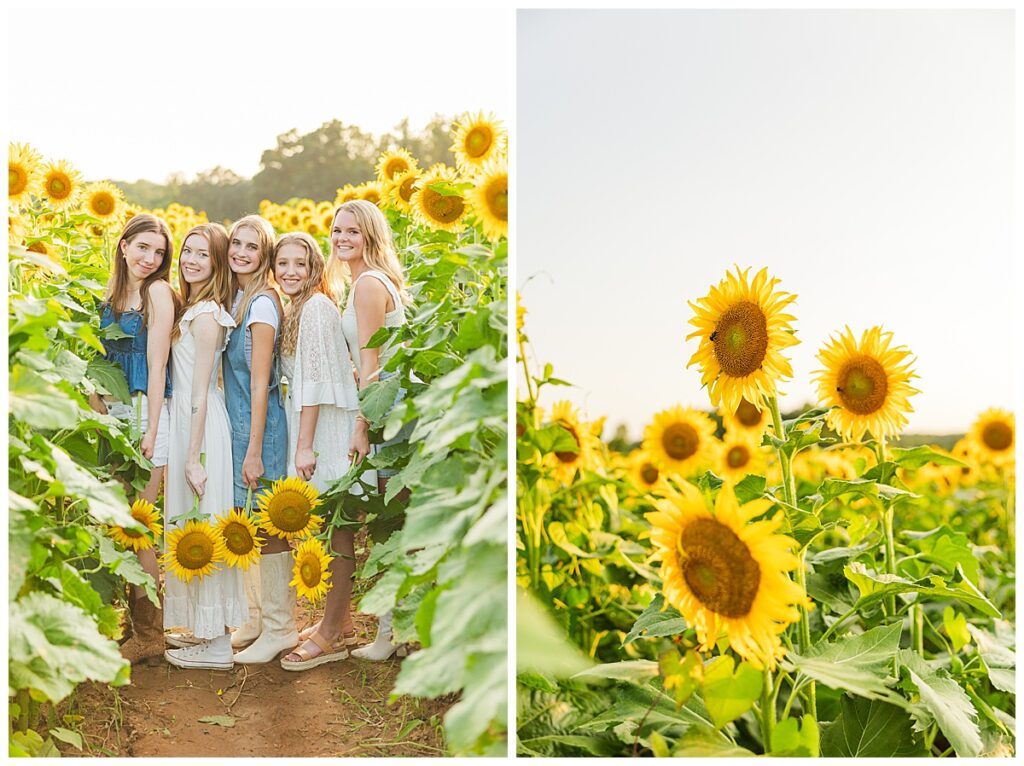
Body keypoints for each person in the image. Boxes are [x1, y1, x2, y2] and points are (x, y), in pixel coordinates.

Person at [268, 233, 365, 670]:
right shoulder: (298, 308)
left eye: (299, 264)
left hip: (325, 430)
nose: (290, 271)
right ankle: (340, 621)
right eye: (282, 263)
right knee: (327, 527)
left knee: (337, 529)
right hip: (313, 426)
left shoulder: (317, 308)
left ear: (314, 269)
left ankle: (330, 636)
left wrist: (304, 445)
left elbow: (317, 385)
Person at [90, 213, 177, 665]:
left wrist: (152, 430)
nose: (150, 258)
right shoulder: (104, 297)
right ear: (123, 246)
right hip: (109, 416)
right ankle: (130, 623)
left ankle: (151, 633)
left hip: (145, 412)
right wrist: (97, 411)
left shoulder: (156, 293)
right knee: (120, 524)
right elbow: (94, 364)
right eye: (143, 247)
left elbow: (158, 364)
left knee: (140, 524)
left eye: (159, 252)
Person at [163, 223, 247, 670]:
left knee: (205, 519)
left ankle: (217, 644)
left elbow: (199, 391)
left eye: (203, 255)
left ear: (217, 264)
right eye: (188, 251)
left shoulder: (210, 314)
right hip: (186, 423)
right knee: (189, 522)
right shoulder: (193, 307)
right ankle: (203, 629)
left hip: (200, 425)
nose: (192, 261)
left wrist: (193, 457)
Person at [333, 200, 412, 661]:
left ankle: (389, 635)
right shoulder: (373, 281)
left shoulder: (365, 285)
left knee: (389, 523)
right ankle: (396, 631)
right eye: (338, 230)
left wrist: (362, 425)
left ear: (370, 236)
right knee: (396, 521)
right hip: (396, 405)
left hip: (388, 410)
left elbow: (371, 366)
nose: (342, 238)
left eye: (352, 232)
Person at [222, 215, 294, 664]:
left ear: (264, 255)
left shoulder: (262, 306)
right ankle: (255, 619)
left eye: (252, 247)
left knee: (269, 526)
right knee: (247, 518)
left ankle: (281, 627)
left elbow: (262, 383)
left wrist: (253, 450)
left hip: (260, 429)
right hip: (241, 424)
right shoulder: (239, 298)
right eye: (236, 244)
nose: (241, 253)